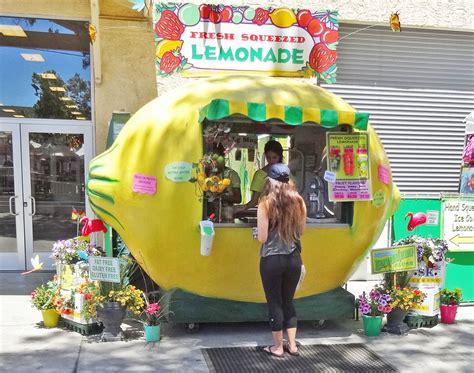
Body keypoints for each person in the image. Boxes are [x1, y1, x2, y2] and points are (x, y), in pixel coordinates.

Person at [257, 163, 306, 358]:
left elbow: (262, 238)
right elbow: (301, 231)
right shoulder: (299, 201)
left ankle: (277, 347)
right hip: (293, 258)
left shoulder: (265, 204)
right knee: (288, 302)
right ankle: (292, 345)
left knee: (274, 303)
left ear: (271, 180)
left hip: (271, 260)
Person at [234, 140, 283, 213]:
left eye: (274, 157)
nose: (271, 160)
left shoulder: (286, 173)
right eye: (268, 157)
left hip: (285, 214)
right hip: (267, 214)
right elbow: (254, 201)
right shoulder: (259, 175)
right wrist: (242, 207)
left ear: (280, 156)